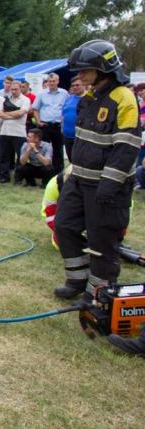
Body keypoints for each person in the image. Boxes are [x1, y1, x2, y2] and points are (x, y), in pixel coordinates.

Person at [53, 40, 141, 300]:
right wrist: (70, 171)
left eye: (85, 70)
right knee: (64, 226)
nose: (79, 76)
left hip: (106, 186)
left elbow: (126, 147)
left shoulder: (124, 99)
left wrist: (109, 185)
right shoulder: (89, 98)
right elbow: (83, 143)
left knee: (102, 241)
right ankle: (77, 279)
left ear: (103, 68)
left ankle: (99, 293)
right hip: (79, 180)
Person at [32, 73, 69, 172]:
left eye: (53, 81)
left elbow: (67, 108)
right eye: (50, 81)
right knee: (44, 148)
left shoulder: (64, 93)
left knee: (58, 150)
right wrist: (38, 121)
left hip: (58, 126)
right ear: (47, 82)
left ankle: (58, 172)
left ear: (58, 81)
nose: (51, 83)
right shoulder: (41, 94)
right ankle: (45, 171)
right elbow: (35, 109)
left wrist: (64, 122)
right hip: (45, 125)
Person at [0, 81, 30, 183]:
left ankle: (18, 177)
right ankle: (4, 176)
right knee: (4, 155)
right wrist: (13, 114)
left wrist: (7, 113)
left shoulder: (25, 100)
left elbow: (21, 113)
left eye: (16, 89)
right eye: (12, 89)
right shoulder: (5, 99)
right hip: (5, 131)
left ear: (20, 89)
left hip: (19, 132)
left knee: (20, 156)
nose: (14, 91)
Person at [61, 76, 85, 161]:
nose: (75, 87)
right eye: (73, 85)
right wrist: (62, 128)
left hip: (80, 137)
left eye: (77, 85)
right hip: (67, 136)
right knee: (71, 159)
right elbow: (63, 114)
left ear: (83, 85)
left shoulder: (88, 99)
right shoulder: (69, 98)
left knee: (79, 160)